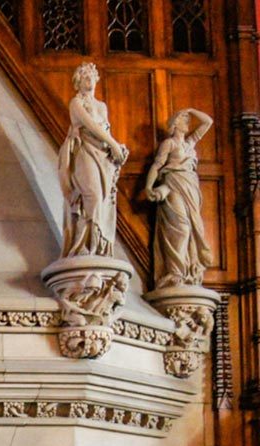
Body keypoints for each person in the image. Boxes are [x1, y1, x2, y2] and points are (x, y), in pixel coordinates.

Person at [58, 63, 129, 258]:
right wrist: (113, 144)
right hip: (85, 152)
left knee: (103, 201)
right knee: (92, 196)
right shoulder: (76, 103)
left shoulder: (101, 106)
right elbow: (91, 127)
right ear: (77, 83)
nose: (89, 80)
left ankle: (98, 248)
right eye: (84, 77)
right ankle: (83, 247)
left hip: (103, 156)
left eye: (91, 76)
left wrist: (117, 149)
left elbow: (104, 130)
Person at [145, 108, 213, 288]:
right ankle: (175, 272)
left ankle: (187, 271)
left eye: (187, 119)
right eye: (184, 119)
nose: (188, 122)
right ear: (175, 124)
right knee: (180, 228)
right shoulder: (169, 144)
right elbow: (157, 165)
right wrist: (148, 187)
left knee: (190, 229)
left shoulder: (190, 143)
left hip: (190, 187)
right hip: (173, 185)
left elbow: (208, 122)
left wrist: (191, 110)